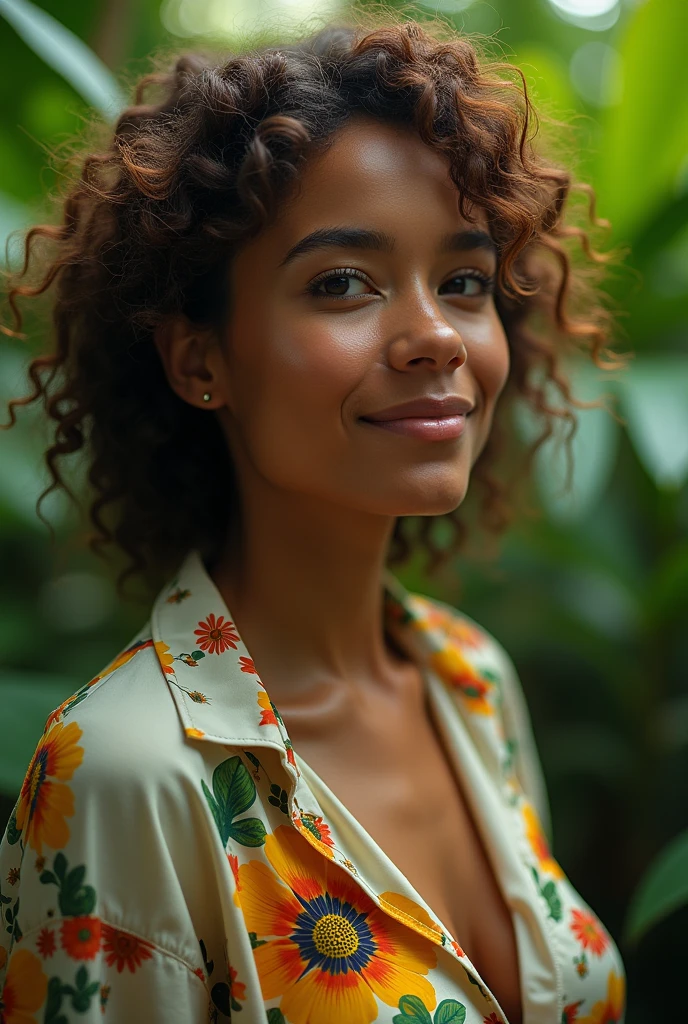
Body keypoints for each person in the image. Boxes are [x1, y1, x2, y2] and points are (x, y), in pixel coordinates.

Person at [0, 14, 628, 1024]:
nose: (434, 334)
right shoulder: (125, 774)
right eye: (343, 283)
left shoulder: (470, 679)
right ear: (198, 360)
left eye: (463, 281)